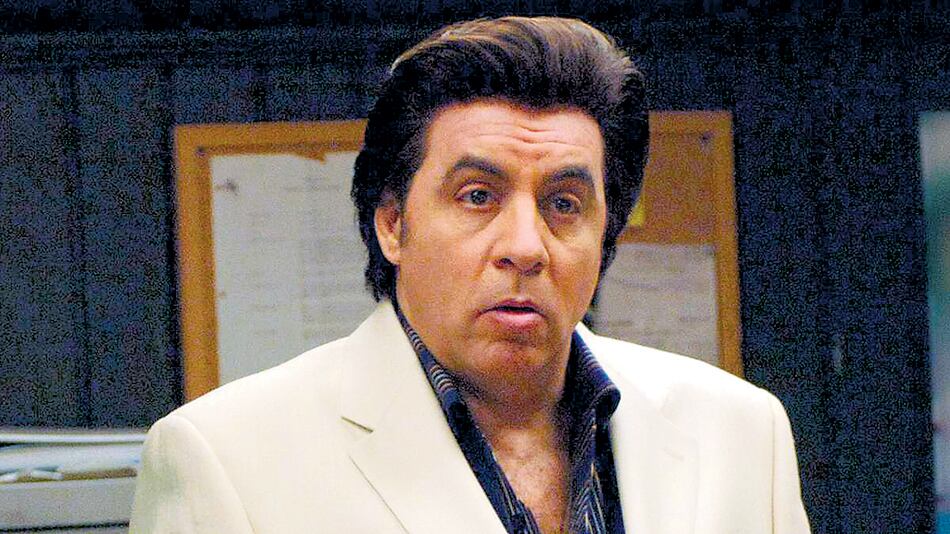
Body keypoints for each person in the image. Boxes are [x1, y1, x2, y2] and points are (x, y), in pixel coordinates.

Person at [130, 16, 811, 534]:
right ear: (392, 223)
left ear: (605, 234)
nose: (525, 247)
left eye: (564, 204)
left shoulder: (741, 433)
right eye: (478, 196)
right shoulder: (227, 460)